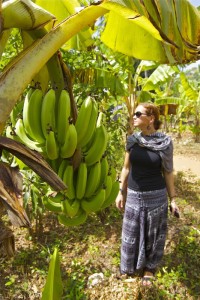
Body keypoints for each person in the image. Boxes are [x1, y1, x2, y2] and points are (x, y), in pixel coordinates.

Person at [115, 102, 179, 286]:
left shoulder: (165, 143)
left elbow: (168, 171)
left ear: (151, 118)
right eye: (134, 114)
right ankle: (129, 267)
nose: (133, 116)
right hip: (134, 195)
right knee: (130, 232)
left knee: (153, 234)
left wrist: (173, 199)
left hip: (156, 196)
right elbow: (126, 168)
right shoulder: (133, 140)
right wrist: (121, 192)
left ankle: (149, 268)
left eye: (138, 114)